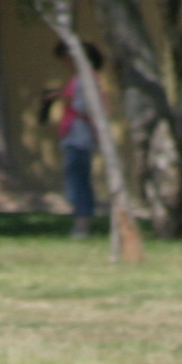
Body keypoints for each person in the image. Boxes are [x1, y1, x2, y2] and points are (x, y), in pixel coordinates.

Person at [40, 42, 107, 238]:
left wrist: (61, 96)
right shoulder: (81, 79)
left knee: (78, 182)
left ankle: (82, 224)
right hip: (73, 135)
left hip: (80, 135)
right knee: (75, 180)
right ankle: (81, 220)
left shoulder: (86, 79)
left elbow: (87, 106)